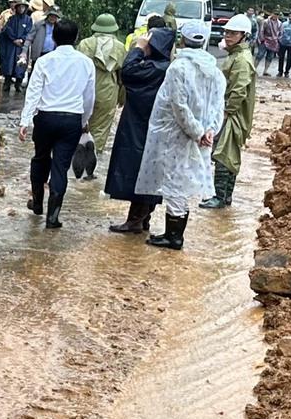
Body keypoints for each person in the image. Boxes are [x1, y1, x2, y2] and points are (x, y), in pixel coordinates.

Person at [134, 19, 227, 250]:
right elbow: (218, 107)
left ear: (182, 40)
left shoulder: (178, 68)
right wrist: (209, 132)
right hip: (200, 136)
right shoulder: (214, 71)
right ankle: (173, 233)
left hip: (176, 135)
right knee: (182, 182)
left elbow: (179, 105)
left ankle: (174, 237)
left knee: (175, 183)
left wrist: (196, 132)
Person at [18, 17, 95, 229]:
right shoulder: (85, 63)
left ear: (53, 37)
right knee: (60, 166)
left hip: (45, 118)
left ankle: (37, 204)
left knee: (40, 158)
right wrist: (83, 120)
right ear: (76, 38)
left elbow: (33, 92)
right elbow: (89, 97)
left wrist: (25, 120)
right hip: (71, 119)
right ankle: (53, 217)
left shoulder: (44, 61)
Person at [103, 26, 176, 234]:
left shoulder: (154, 68)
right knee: (149, 170)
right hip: (153, 126)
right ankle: (143, 218)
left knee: (138, 169)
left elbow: (127, 71)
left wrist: (137, 48)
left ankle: (136, 219)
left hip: (141, 126)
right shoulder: (164, 67)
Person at [202, 13, 257, 210]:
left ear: (244, 36)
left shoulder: (241, 59)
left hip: (233, 115)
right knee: (229, 154)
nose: (228, 36)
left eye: (233, 33)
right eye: (227, 32)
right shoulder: (236, 55)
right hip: (230, 112)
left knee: (223, 155)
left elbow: (238, 90)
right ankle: (225, 197)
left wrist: (226, 112)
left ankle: (220, 196)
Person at [77, 13, 126, 177]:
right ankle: (89, 169)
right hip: (108, 90)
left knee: (81, 125)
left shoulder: (85, 44)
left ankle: (74, 164)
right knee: (100, 129)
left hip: (85, 88)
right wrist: (122, 97)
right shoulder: (119, 47)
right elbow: (122, 75)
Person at [1, 0, 33, 96]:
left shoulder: (28, 20)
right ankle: (7, 81)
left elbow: (29, 31)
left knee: (21, 64)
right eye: (19, 7)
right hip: (11, 45)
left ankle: (18, 83)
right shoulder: (12, 19)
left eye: (23, 7)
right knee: (9, 63)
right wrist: (14, 39)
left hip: (22, 46)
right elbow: (7, 29)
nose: (21, 9)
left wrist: (22, 40)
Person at [256, 11, 284, 77]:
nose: (275, 15)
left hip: (274, 42)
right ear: (272, 14)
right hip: (265, 40)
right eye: (274, 13)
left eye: (277, 14)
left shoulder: (280, 23)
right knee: (260, 55)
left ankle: (265, 71)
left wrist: (277, 40)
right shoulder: (266, 21)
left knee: (270, 57)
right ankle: (253, 69)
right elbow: (261, 30)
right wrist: (261, 39)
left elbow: (281, 33)